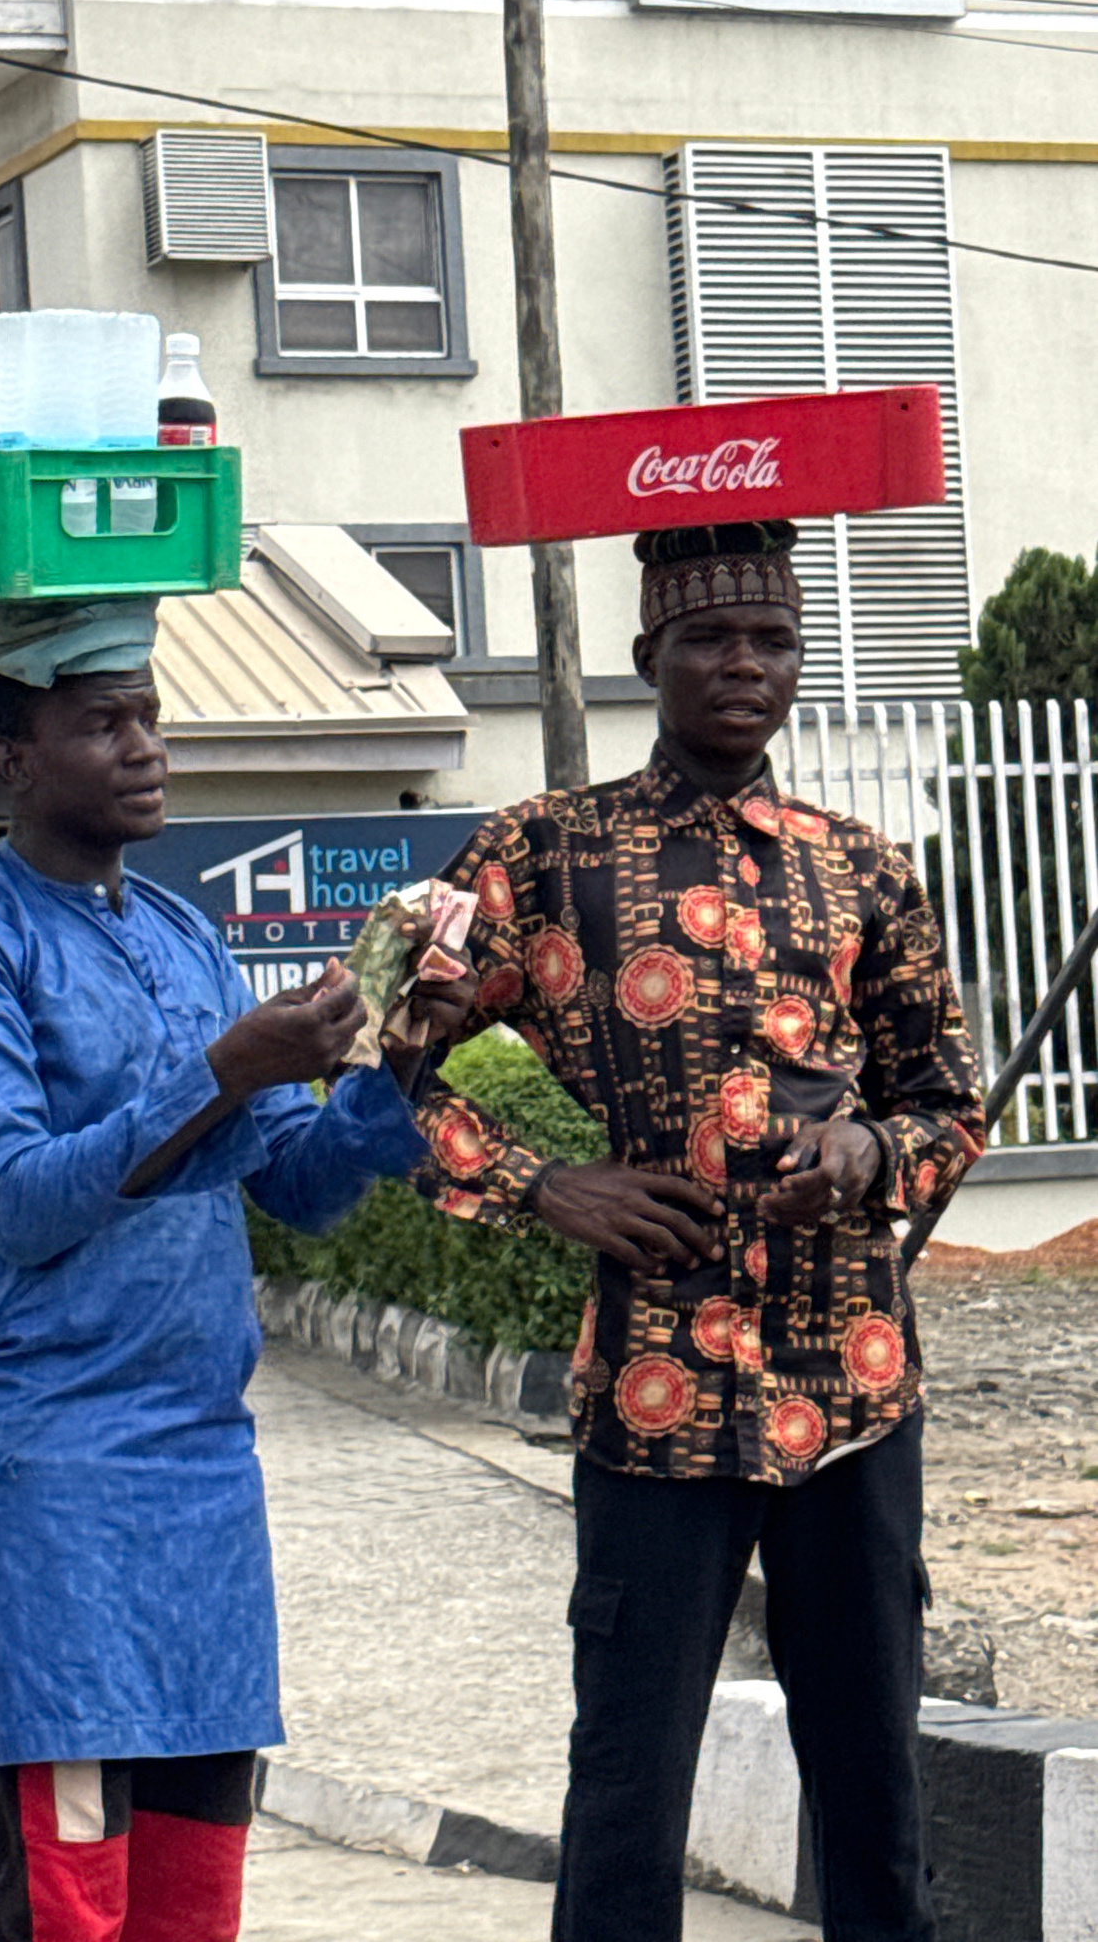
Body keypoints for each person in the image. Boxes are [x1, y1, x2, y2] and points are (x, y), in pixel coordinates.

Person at [0, 594, 474, 1942]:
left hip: (202, 1480)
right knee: (71, 1902)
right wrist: (225, 1069)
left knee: (193, 1901)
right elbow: (19, 1201)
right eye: (104, 724)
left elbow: (295, 1181)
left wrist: (401, 1059)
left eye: (149, 717)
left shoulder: (184, 935)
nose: (146, 747)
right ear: (12, 757)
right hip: (45, 1483)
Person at [415, 522, 985, 1942]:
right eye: (710, 640)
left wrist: (866, 1152)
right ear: (646, 656)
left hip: (852, 1383)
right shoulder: (542, 853)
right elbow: (370, 1043)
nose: (745, 666)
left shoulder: (865, 870)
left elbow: (948, 1100)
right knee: (627, 1787)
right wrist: (543, 1182)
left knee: (874, 1785)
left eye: (773, 641)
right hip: (656, 1389)